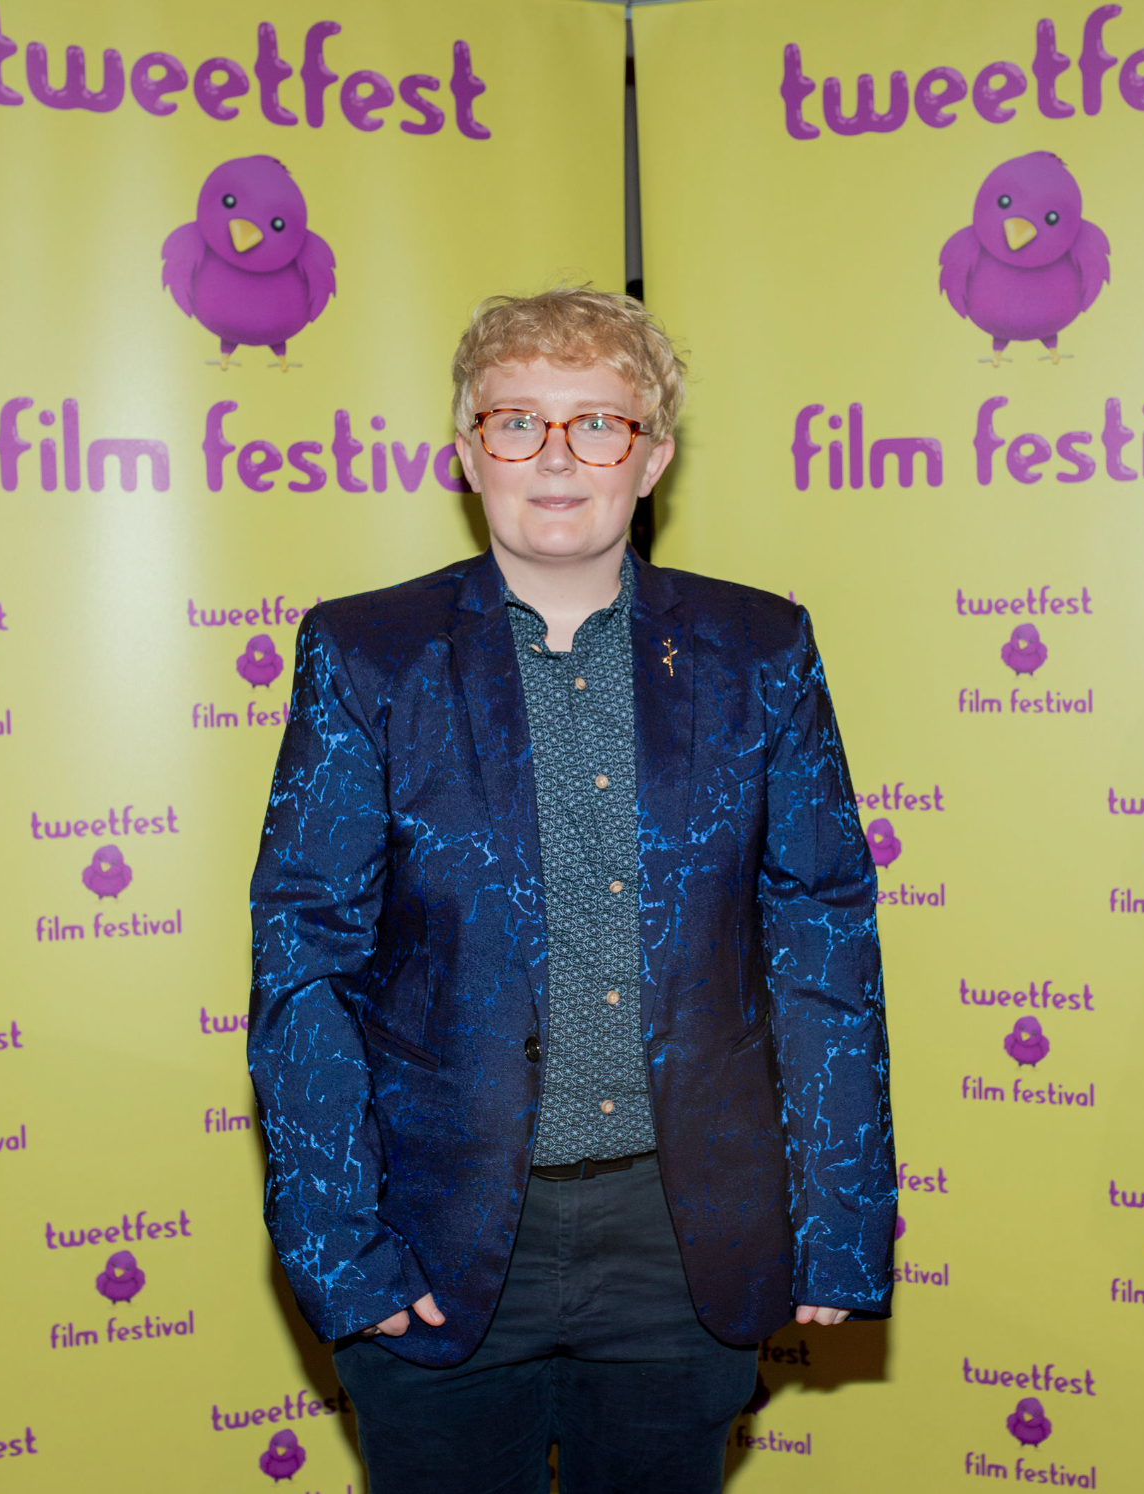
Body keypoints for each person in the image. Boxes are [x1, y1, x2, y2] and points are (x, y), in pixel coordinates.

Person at [248, 287, 895, 1494]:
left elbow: (820, 940)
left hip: (683, 1251)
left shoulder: (762, 650)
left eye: (598, 423)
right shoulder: (366, 654)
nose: (556, 457)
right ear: (467, 452)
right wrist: (340, 1250)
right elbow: (304, 962)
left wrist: (840, 1222)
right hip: (430, 1243)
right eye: (517, 422)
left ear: (651, 459)